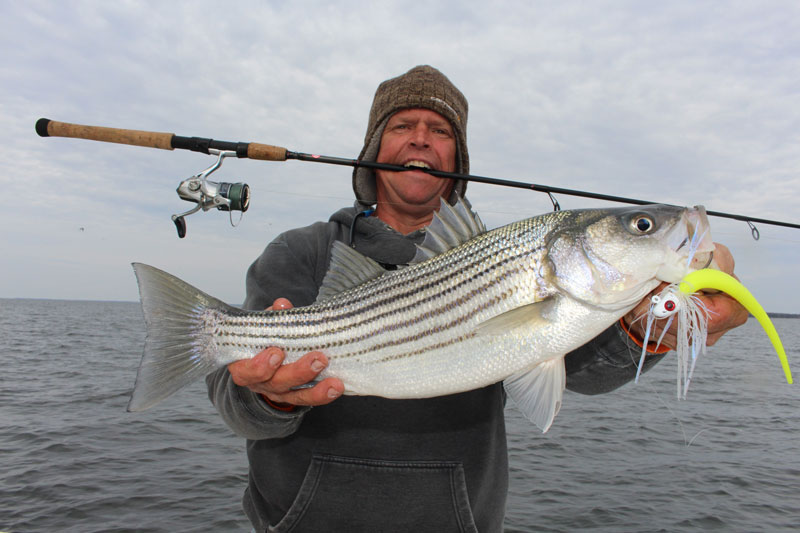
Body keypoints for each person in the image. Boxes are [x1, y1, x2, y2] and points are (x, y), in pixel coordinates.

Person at [206, 65, 747, 532]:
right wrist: (272, 397)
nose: (421, 139)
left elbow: (583, 370)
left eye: (440, 130)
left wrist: (653, 328)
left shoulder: (509, 259)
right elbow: (237, 406)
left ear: (457, 158)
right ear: (373, 151)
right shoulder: (302, 251)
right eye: (402, 125)